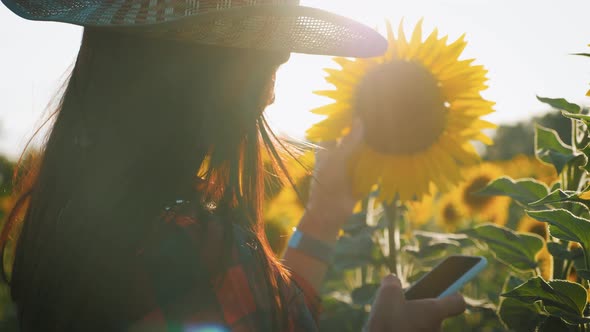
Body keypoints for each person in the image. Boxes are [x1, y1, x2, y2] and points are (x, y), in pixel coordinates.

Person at [0, 0, 466, 331]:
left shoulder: (63, 217)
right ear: (213, 75)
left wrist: (326, 212)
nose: (272, 94)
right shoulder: (189, 244)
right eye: (271, 63)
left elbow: (266, 313)